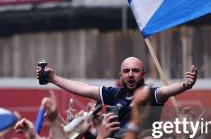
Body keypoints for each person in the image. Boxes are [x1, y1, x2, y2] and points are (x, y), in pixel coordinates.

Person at [37, 56, 198, 131]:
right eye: (126, 71)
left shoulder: (151, 94)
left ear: (143, 75)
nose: (130, 74)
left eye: (135, 71)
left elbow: (166, 90)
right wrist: (53, 78)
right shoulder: (114, 95)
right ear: (121, 75)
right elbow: (82, 88)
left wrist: (185, 85)